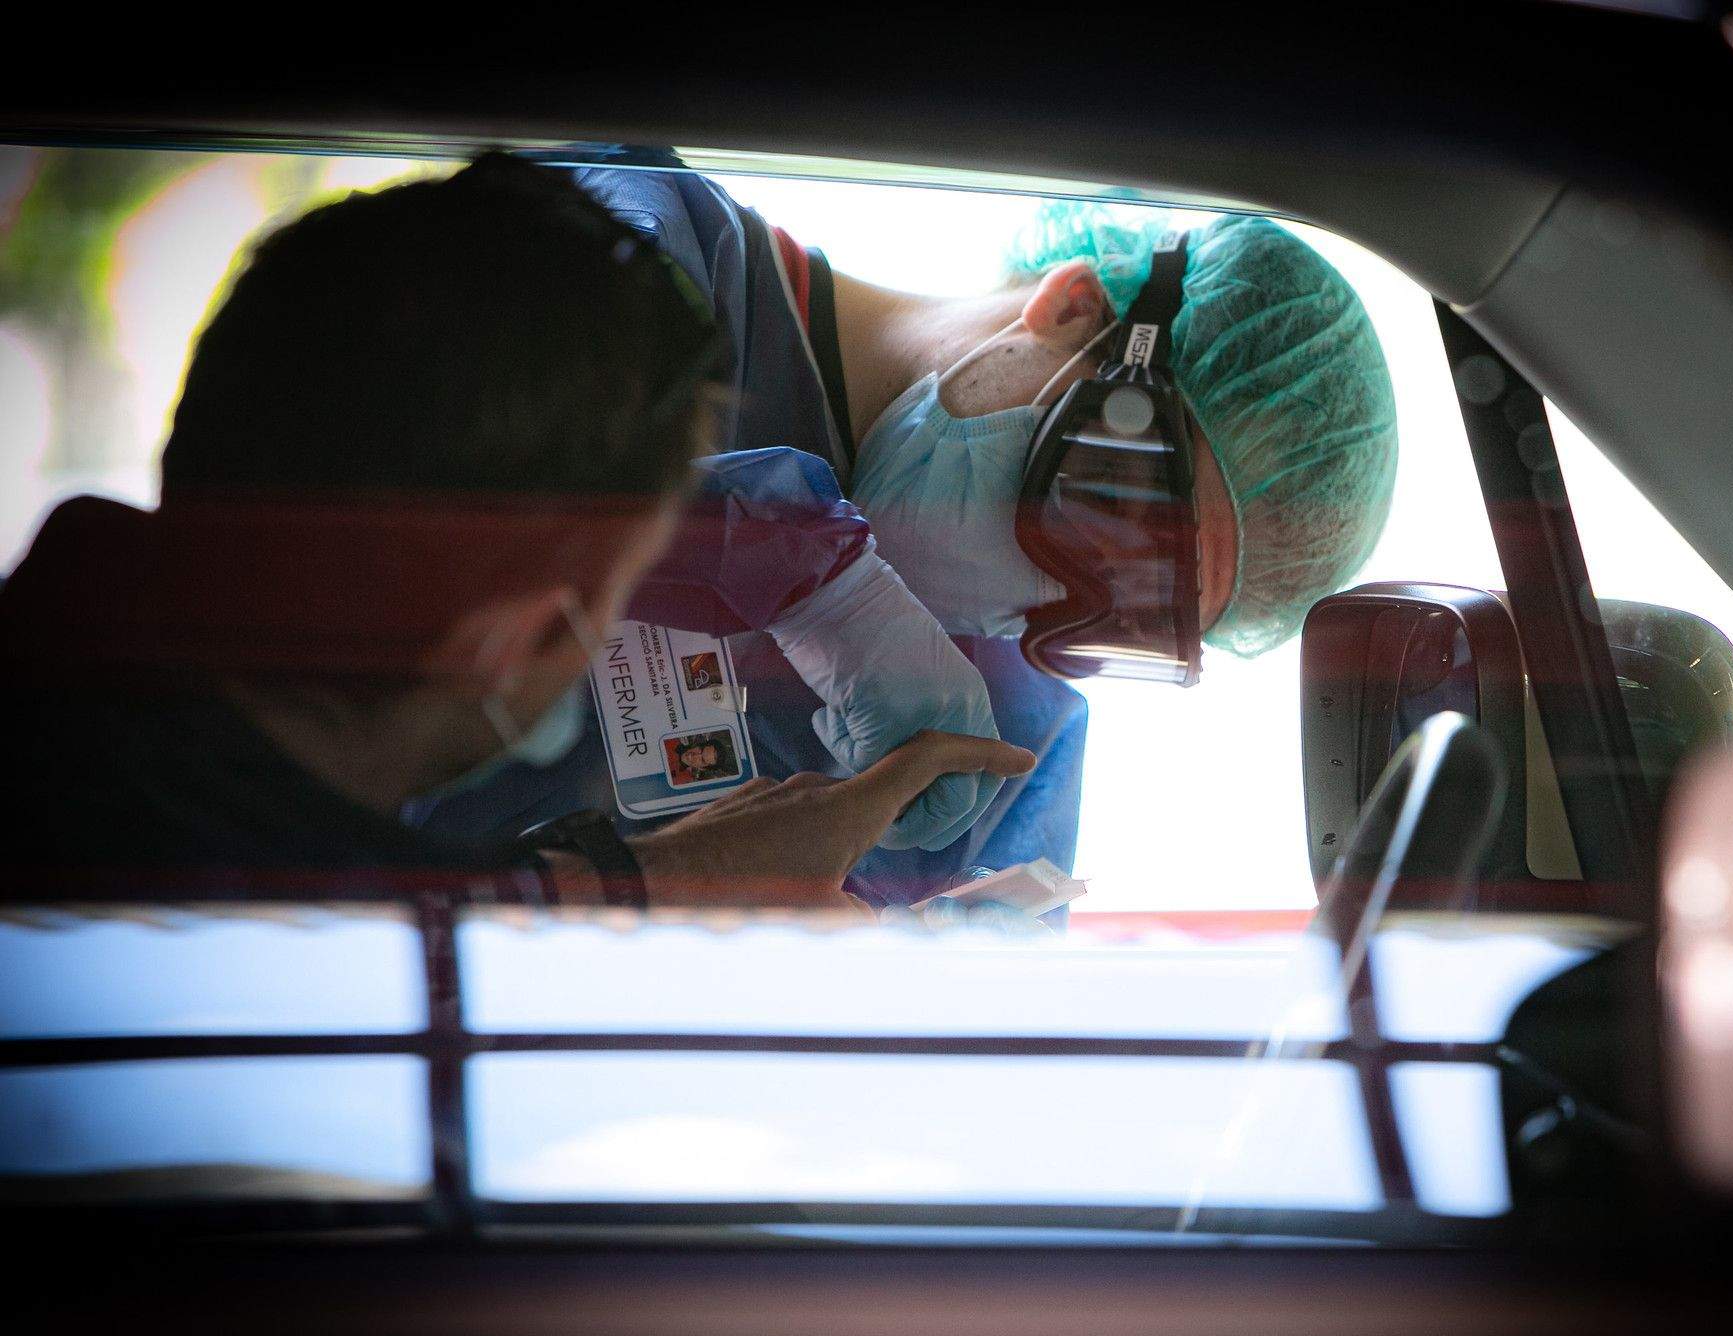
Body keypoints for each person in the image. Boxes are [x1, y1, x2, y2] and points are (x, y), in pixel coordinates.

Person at [0, 156, 1030, 910]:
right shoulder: (308, 1006)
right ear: (504, 647)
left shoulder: (61, 721)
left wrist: (639, 884)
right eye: (624, 591)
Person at [418, 164, 1398, 906]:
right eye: (1110, 510)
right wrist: (798, 569)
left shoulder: (1000, 746)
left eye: (1131, 617)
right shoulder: (645, 252)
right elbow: (405, 503)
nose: (1052, 594)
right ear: (1070, 310)